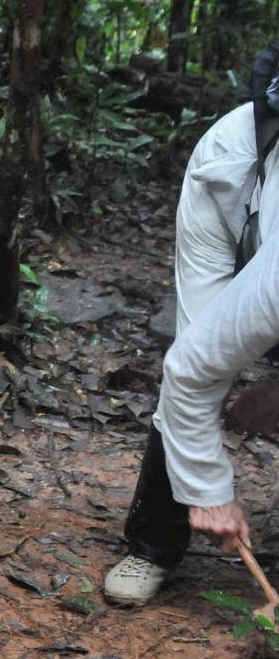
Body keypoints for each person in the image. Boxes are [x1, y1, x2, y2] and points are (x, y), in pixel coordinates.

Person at [104, 52, 279, 604]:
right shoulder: (230, 156)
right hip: (232, 193)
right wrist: (208, 490)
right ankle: (155, 542)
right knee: (200, 349)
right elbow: (192, 370)